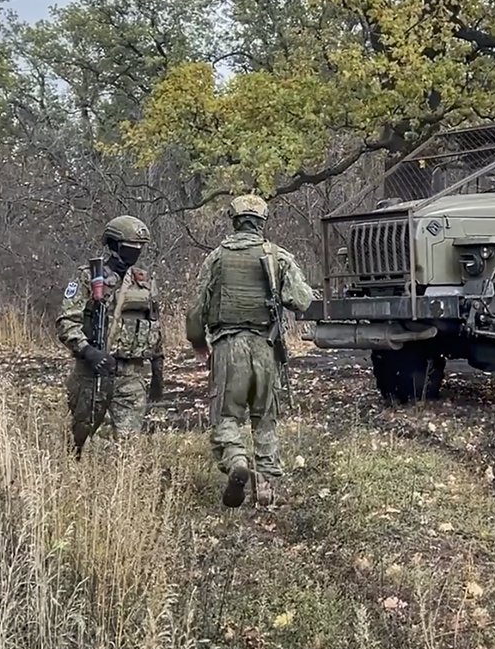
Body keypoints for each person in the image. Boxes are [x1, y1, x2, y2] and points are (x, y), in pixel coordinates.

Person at [185, 194, 314, 508]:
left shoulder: (216, 257)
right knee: (265, 419)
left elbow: (195, 309)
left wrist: (198, 342)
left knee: (227, 416)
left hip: (229, 348)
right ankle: (265, 491)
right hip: (266, 348)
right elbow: (301, 300)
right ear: (262, 222)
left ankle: (236, 460)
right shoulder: (278, 256)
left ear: (234, 220)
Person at [56, 215, 164, 454]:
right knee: (81, 441)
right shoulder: (88, 277)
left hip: (132, 375)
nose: (135, 252)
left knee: (128, 447)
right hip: (92, 373)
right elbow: (66, 322)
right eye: (129, 247)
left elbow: (154, 326)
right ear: (113, 245)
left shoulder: (145, 282)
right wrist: (87, 351)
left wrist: (158, 370)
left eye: (139, 248)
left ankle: (123, 485)